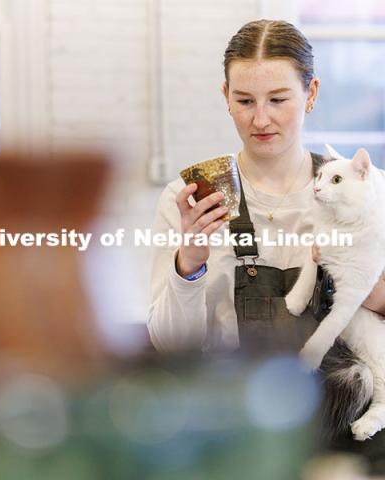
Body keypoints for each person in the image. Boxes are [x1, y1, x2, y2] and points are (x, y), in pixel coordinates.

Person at [147, 19, 385, 354]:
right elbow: (170, 347)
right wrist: (189, 263)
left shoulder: (372, 194)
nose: (260, 120)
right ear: (226, 97)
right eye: (245, 101)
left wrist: (370, 293)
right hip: (232, 402)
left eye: (277, 100)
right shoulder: (189, 202)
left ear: (311, 93)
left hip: (346, 403)